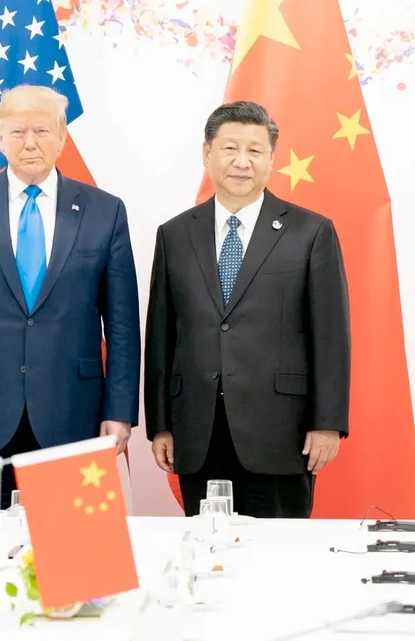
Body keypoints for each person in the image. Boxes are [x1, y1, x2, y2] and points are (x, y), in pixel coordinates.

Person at [0, 85, 141, 510]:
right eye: (17, 132)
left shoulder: (105, 211)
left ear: (62, 136)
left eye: (42, 130)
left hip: (73, 417)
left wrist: (120, 410)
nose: (30, 143)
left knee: (77, 549)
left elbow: (122, 324)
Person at [143, 101, 350, 519]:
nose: (242, 162)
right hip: (198, 432)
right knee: (206, 548)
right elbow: (162, 335)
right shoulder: (176, 234)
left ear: (271, 159)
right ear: (207, 154)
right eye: (230, 149)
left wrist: (327, 422)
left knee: (278, 551)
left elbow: (330, 335)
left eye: (255, 151)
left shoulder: (311, 232)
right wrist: (160, 423)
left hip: (282, 431)